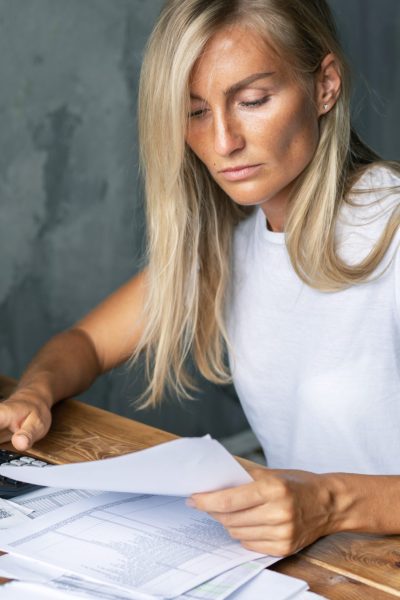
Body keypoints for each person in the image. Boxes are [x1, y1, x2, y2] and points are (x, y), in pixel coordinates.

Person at [1, 0, 399, 557]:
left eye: (253, 101)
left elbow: (325, 500)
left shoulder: (393, 233)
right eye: (194, 112)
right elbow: (85, 344)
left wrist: (329, 503)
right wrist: (33, 394)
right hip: (317, 572)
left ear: (325, 86)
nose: (223, 141)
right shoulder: (231, 249)